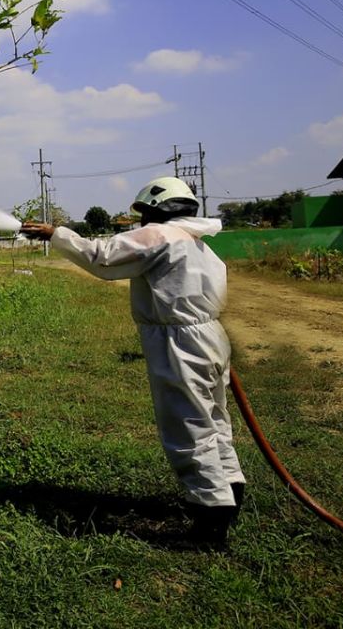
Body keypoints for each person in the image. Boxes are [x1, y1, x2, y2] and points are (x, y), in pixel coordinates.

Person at [20, 176, 245, 547]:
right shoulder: (199, 243)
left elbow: (102, 257)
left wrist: (55, 233)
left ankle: (210, 523)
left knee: (189, 427)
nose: (142, 220)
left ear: (158, 209)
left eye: (145, 212)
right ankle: (231, 494)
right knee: (215, 419)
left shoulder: (162, 236)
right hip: (210, 337)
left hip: (180, 342)